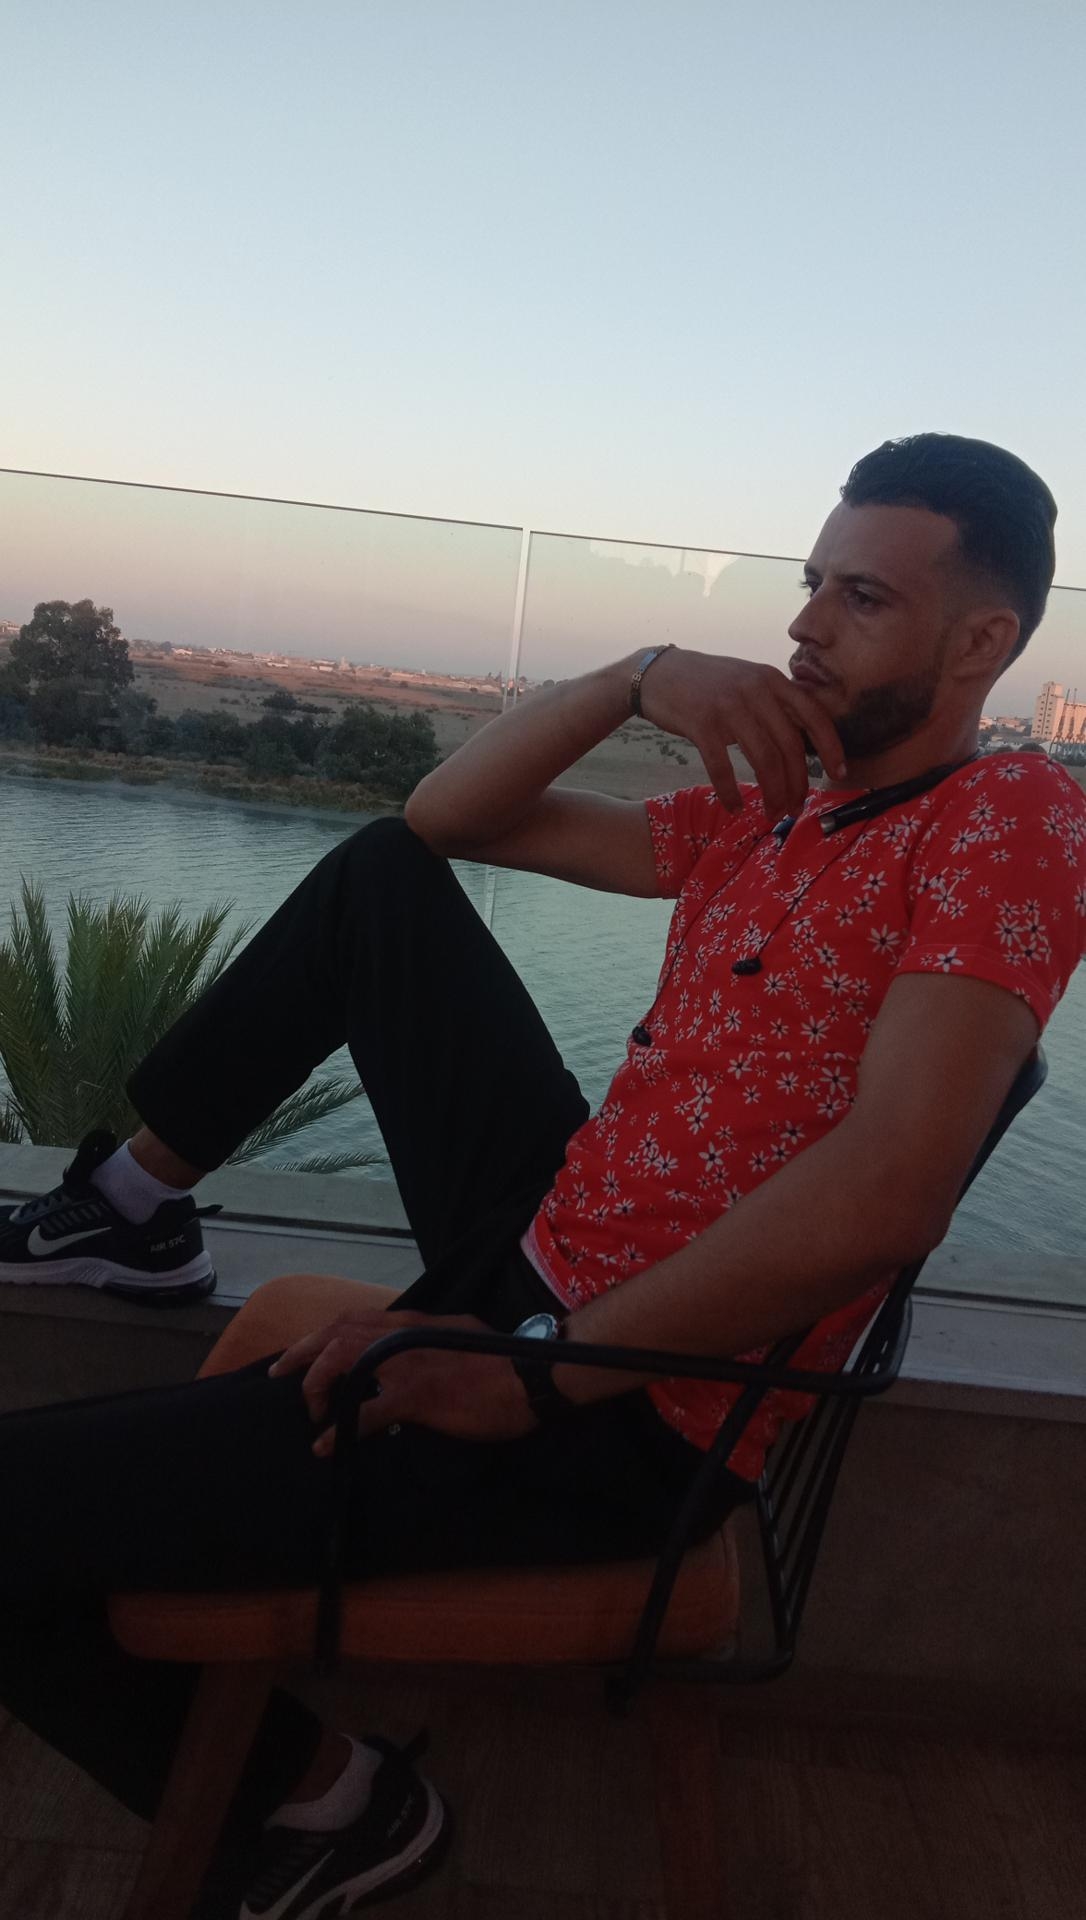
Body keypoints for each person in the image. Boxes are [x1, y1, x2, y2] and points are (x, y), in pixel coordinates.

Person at [1, 432, 1084, 1920]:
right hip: (553, 1230)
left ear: (981, 642)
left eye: (862, 598)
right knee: (379, 875)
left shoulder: (1008, 819)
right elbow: (447, 818)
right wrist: (635, 676)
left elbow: (893, 1185)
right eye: (809, 584)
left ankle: (326, 1800)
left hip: (621, 1394)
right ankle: (130, 1209)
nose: (803, 627)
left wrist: (532, 1372)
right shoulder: (781, 803)